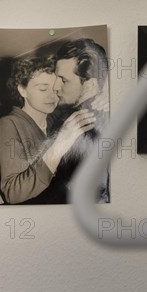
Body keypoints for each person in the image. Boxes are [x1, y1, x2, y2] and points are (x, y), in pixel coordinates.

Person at [0, 56, 96, 205]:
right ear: (22, 90)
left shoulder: (54, 120)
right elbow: (13, 192)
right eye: (43, 88)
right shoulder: (9, 124)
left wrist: (104, 96)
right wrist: (59, 144)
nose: (52, 96)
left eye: (55, 89)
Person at [47, 38, 110, 203]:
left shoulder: (81, 123)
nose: (55, 86)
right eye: (56, 77)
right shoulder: (68, 115)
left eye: (64, 80)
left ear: (89, 86)